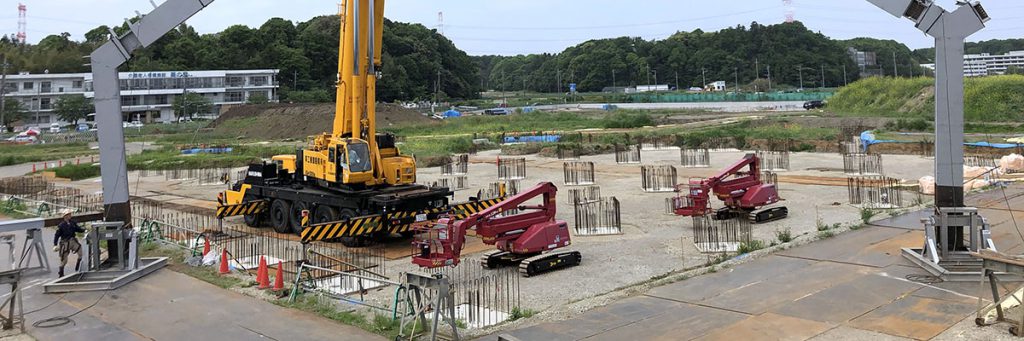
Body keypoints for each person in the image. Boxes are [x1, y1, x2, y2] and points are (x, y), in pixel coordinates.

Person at [53, 209, 84, 277]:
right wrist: (55, 244)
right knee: (64, 260)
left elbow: (78, 229)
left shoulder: (72, 223)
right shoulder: (61, 225)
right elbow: (57, 235)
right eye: (69, 214)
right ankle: (61, 271)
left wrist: (84, 230)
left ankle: (78, 264)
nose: (70, 215)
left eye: (70, 214)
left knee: (80, 251)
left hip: (72, 241)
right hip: (65, 243)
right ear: (65, 216)